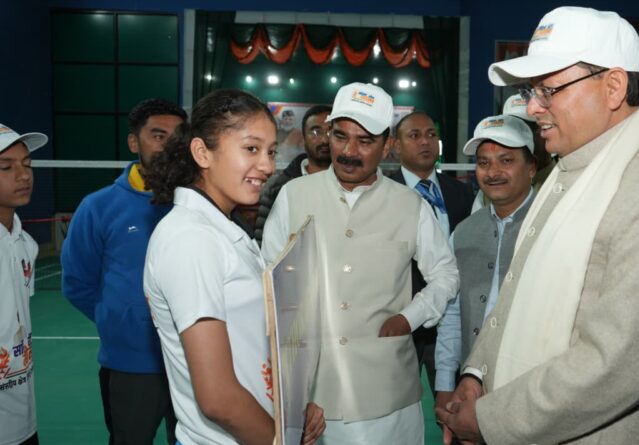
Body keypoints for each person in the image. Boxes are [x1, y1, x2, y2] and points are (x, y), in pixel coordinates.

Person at [437, 7, 639, 444]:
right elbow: (516, 289)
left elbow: (617, 364)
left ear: (612, 87)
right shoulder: (570, 166)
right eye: (533, 91)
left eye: (549, 90)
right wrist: (478, 372)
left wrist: (488, 418)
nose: (533, 108)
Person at [261, 82, 459, 444]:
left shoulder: (411, 205)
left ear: (387, 146)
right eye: (340, 136)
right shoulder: (294, 195)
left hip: (388, 396)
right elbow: (269, 286)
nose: (349, 151)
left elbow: (445, 274)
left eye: (365, 141)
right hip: (310, 395)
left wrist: (409, 318)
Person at [142, 89, 324, 445]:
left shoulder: (222, 229)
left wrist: (291, 409)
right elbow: (218, 398)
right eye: (251, 149)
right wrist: (279, 440)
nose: (268, 165)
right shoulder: (191, 239)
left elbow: (252, 345)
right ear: (201, 152)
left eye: (271, 151)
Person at [61, 98, 186, 445]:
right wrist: (122, 323)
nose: (169, 146)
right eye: (158, 135)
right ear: (135, 142)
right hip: (131, 366)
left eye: (177, 137)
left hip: (196, 367)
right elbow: (77, 284)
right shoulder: (98, 207)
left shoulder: (202, 204)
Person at [434, 114, 536, 414]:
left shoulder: (554, 226)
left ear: (531, 167)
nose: (493, 172)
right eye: (483, 162)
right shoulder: (464, 231)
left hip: (530, 388)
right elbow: (453, 314)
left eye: (506, 160)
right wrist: (444, 383)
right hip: (469, 389)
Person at [388, 111, 473, 397]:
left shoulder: (462, 194)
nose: (425, 142)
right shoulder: (382, 194)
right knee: (394, 403)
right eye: (414, 136)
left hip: (452, 319)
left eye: (431, 135)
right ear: (395, 145)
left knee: (451, 405)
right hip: (400, 321)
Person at [0, 124, 47, 445]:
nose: (23, 175)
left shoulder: (25, 243)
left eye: (27, 165)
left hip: (21, 414)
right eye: (6, 167)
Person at [254, 105, 332, 245]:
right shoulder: (278, 187)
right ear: (303, 138)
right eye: (316, 132)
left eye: (331, 132)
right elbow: (264, 242)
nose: (324, 140)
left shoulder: (351, 184)